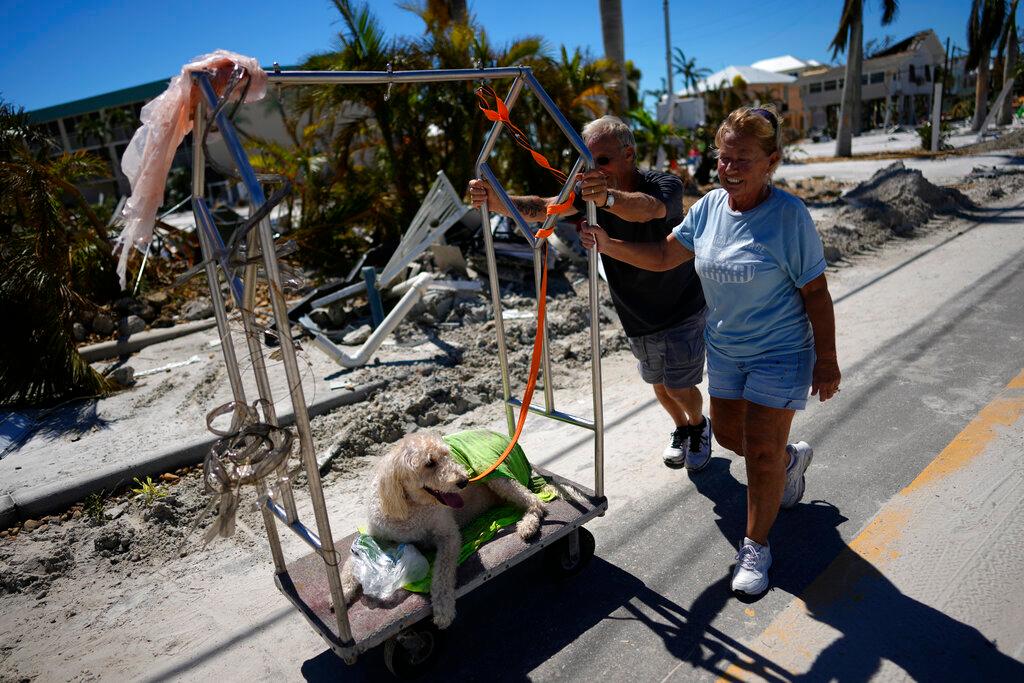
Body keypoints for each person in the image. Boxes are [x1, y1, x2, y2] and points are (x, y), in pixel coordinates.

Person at [579, 106, 841, 597]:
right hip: (725, 350)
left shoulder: (789, 216)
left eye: (743, 158)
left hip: (781, 351)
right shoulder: (709, 209)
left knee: (757, 452)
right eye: (723, 158)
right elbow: (661, 256)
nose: (730, 168)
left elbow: (816, 293)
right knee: (732, 441)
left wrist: (826, 361)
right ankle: (788, 462)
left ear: (771, 161)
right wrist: (608, 244)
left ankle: (756, 546)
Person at [468, 115, 712, 470]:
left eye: (602, 160)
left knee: (678, 385)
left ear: (629, 154)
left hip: (682, 307)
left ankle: (698, 426)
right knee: (659, 384)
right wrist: (495, 199)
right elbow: (543, 206)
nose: (592, 170)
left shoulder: (664, 184)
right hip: (636, 313)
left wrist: (609, 199)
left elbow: (649, 209)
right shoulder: (587, 194)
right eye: (586, 161)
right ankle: (681, 427)